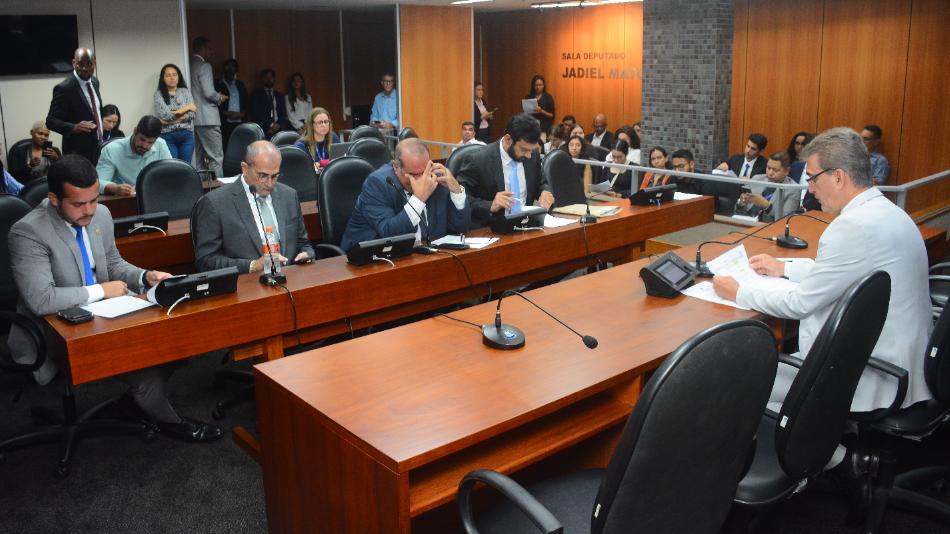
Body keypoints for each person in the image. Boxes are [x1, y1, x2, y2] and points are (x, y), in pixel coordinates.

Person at [713, 127, 930, 414]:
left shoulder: (851, 227)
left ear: (838, 177)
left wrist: (738, 292)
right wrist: (784, 267)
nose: (811, 188)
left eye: (813, 178)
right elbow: (846, 271)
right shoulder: (887, 212)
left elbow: (800, 303)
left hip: (873, 374)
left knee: (734, 381)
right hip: (905, 364)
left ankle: (819, 446)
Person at [7, 155, 222, 441]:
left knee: (176, 331)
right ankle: (170, 422)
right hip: (53, 328)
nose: (89, 211)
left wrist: (145, 276)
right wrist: (101, 291)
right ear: (54, 199)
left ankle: (137, 401)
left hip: (105, 313)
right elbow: (41, 299)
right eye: (78, 204)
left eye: (94, 200)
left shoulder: (101, 215)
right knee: (141, 358)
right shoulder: (29, 231)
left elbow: (112, 263)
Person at [193, 141, 314, 274]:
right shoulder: (215, 204)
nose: (269, 184)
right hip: (246, 283)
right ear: (245, 168)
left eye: (275, 176)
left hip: (290, 278)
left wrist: (307, 253)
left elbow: (304, 243)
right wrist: (253, 265)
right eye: (263, 176)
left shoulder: (289, 195)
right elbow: (206, 260)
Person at [341, 138, 471, 251]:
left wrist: (456, 190)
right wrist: (419, 198)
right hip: (367, 259)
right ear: (395, 166)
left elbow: (460, 227)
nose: (422, 180)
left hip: (422, 255)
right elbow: (389, 234)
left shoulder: (433, 177)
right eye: (414, 174)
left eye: (424, 172)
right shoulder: (377, 184)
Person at [456, 113, 555, 228]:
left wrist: (544, 192)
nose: (529, 156)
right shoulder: (477, 160)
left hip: (527, 226)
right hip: (490, 228)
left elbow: (541, 183)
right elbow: (460, 196)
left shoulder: (533, 155)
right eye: (524, 150)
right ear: (508, 139)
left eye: (531, 150)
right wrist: (490, 205)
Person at [46, 47, 103, 164]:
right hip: (77, 153)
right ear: (73, 63)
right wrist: (74, 127)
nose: (85, 68)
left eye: (89, 64)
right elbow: (50, 121)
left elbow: (95, 111)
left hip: (98, 147)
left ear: (95, 63)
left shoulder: (95, 82)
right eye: (80, 64)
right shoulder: (64, 88)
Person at [96, 115, 172, 196]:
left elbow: (170, 174)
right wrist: (115, 188)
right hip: (125, 199)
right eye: (142, 139)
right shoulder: (111, 149)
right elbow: (98, 183)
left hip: (155, 196)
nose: (145, 146)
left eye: (150, 142)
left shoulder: (161, 144)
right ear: (135, 131)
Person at [190, 36, 228, 178]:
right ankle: (219, 188)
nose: (211, 52)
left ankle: (200, 187)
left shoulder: (187, 64)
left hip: (194, 119)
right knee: (216, 158)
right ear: (204, 48)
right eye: (209, 48)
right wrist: (220, 97)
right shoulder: (204, 66)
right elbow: (208, 93)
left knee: (197, 159)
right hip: (208, 119)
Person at [733, 151, 800, 221]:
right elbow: (739, 210)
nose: (770, 173)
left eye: (775, 170)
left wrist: (767, 206)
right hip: (746, 221)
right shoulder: (757, 178)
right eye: (768, 168)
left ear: (787, 171)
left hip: (769, 225)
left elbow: (786, 218)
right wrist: (740, 203)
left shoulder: (793, 189)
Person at [153, 63, 196, 164]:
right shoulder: (158, 94)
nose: (172, 78)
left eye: (174, 74)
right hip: (168, 136)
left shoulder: (185, 92)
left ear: (178, 76)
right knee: (173, 166)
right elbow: (165, 115)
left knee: (185, 167)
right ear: (163, 78)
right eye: (168, 75)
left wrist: (170, 119)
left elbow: (192, 114)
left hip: (186, 135)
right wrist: (186, 108)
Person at [215, 58, 248, 153]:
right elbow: (213, 101)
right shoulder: (217, 84)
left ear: (236, 70)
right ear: (224, 69)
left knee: (240, 147)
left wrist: (242, 114)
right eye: (228, 67)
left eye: (233, 67)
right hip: (224, 122)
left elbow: (246, 101)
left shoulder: (240, 84)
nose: (230, 70)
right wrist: (225, 113)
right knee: (224, 147)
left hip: (239, 121)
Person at [294, 107, 340, 172]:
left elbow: (339, 160)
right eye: (320, 122)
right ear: (311, 125)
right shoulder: (301, 144)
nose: (324, 125)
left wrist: (320, 164)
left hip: (332, 174)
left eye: (326, 122)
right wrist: (328, 162)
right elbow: (302, 167)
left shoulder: (333, 137)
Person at [251, 69, 289, 137]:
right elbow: (257, 113)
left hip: (279, 129)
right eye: (266, 77)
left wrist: (278, 125)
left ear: (274, 79)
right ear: (262, 79)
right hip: (264, 129)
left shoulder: (280, 95)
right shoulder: (256, 94)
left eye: (271, 77)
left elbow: (283, 113)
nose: (269, 79)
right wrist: (271, 125)